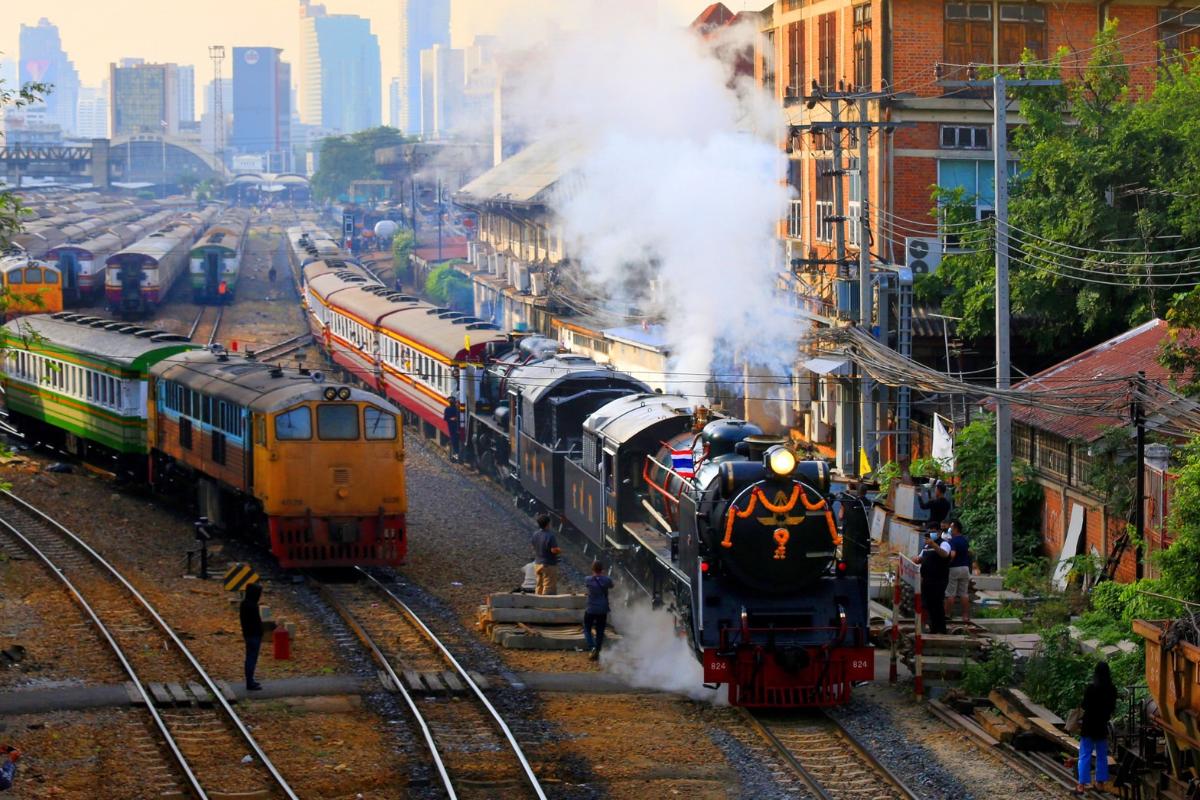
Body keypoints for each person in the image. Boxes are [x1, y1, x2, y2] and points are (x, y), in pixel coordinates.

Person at [1077, 661, 1119, 794]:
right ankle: (1100, 783)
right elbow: (1112, 708)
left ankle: (1082, 785)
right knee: (1101, 755)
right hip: (1101, 726)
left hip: (1088, 725)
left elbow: (1084, 706)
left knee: (1085, 755)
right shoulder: (1112, 689)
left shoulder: (1091, 688)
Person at [914, 528, 951, 634]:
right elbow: (920, 558)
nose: (930, 534)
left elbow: (944, 554)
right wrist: (916, 560)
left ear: (939, 533)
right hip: (927, 579)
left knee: (937, 604)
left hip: (938, 579)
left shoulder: (944, 544)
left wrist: (934, 545)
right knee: (929, 604)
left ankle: (941, 629)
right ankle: (933, 628)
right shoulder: (926, 546)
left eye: (933, 531)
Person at [584, 561, 614, 661]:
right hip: (602, 609)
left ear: (592, 569)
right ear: (602, 570)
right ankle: (598, 649)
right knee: (600, 630)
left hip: (591, 609)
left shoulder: (588, 579)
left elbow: (587, 586)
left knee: (587, 628)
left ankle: (592, 647)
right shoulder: (607, 580)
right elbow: (611, 585)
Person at [944, 520, 972, 625]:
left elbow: (952, 554)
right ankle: (965, 616)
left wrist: (947, 562)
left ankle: (947, 615)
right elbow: (968, 553)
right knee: (964, 594)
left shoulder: (953, 541)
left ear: (955, 529)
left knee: (950, 594)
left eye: (951, 527)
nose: (949, 529)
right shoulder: (965, 540)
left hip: (954, 568)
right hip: (965, 568)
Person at [240, 582, 264, 691]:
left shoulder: (244, 604)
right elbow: (257, 622)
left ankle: (250, 680)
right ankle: (250, 682)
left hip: (247, 634)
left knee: (249, 657)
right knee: (251, 658)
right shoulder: (253, 606)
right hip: (254, 635)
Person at [530, 513, 560, 595]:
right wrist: (559, 550)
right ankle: (547, 606)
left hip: (537, 564)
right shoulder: (550, 536)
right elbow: (554, 550)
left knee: (539, 585)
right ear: (548, 524)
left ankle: (537, 603)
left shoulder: (535, 534)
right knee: (549, 587)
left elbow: (533, 546)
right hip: (548, 565)